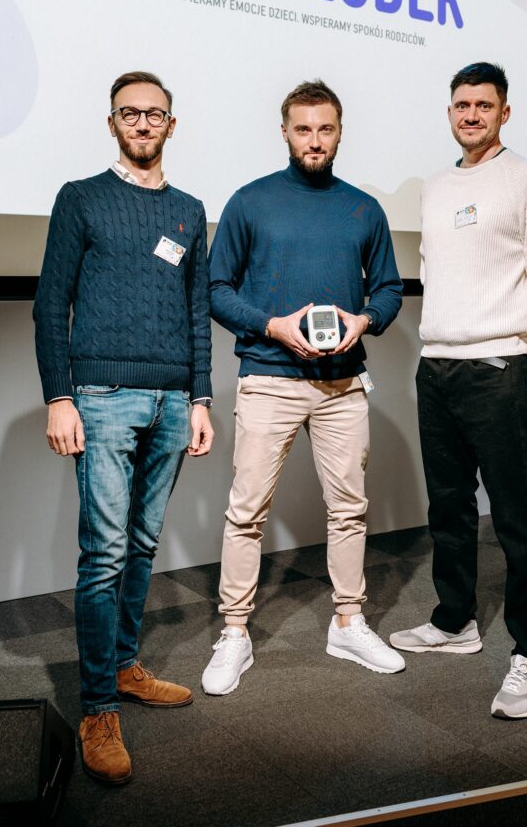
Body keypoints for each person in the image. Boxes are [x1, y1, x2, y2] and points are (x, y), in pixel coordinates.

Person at [33, 71, 213, 784]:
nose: (142, 123)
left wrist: (201, 399)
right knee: (104, 554)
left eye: (154, 114)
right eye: (129, 113)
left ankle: (124, 665)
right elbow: (51, 304)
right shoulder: (80, 198)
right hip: (101, 396)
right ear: (112, 122)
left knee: (141, 544)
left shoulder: (190, 211)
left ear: (172, 124)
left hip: (173, 400)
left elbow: (197, 313)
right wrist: (59, 396)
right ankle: (98, 708)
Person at [201, 79, 405, 695]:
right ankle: (234, 632)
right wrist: (273, 326)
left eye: (325, 129)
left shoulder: (364, 209)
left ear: (339, 133)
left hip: (342, 384)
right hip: (269, 378)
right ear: (285, 132)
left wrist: (363, 321)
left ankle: (348, 622)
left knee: (349, 509)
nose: (314, 140)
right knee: (246, 513)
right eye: (303, 129)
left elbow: (389, 289)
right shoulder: (250, 202)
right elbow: (216, 289)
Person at [389, 62, 527, 719]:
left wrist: (525, 352)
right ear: (450, 112)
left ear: (504, 112)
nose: (471, 114)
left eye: (484, 105)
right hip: (437, 366)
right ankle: (455, 621)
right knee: (448, 509)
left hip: (497, 368)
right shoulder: (437, 186)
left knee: (516, 521)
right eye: (462, 105)